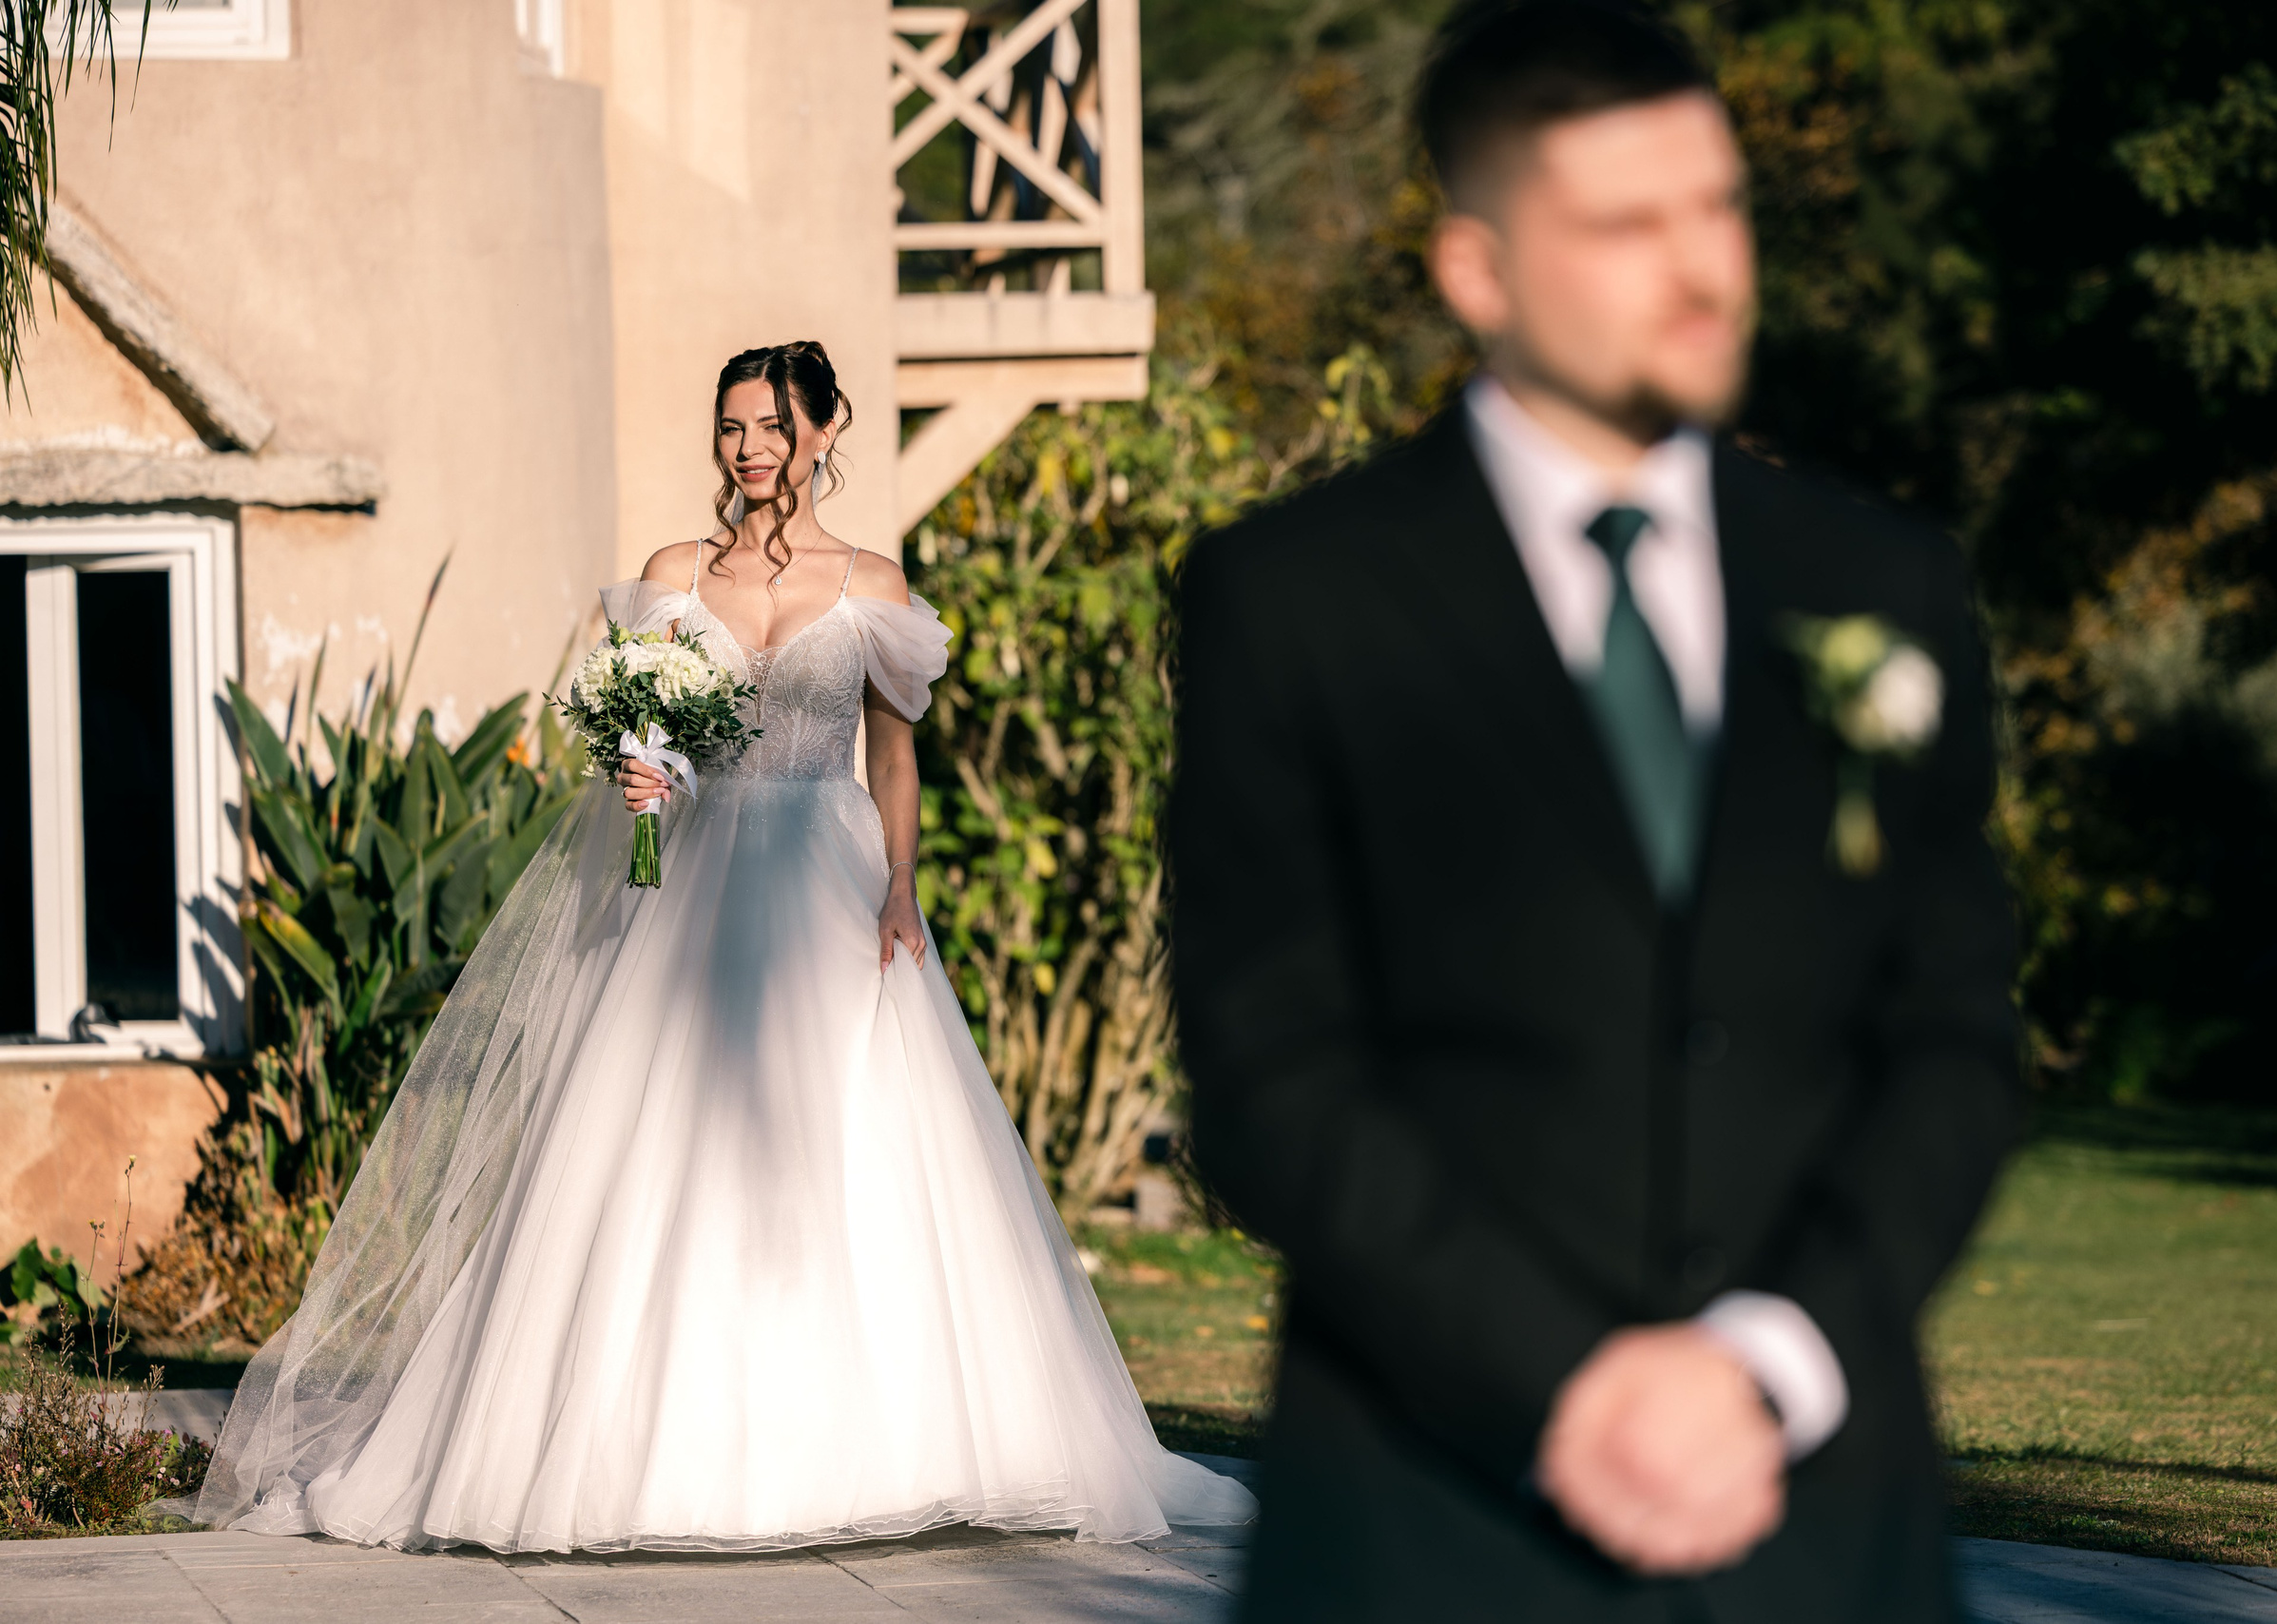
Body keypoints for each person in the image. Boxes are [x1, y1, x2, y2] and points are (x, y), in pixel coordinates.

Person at [1171, 4, 2018, 1620]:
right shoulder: (1295, 598)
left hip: (1823, 1536)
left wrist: (1764, 1368)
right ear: (1477, 271)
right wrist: (1567, 1389)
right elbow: (1272, 1073)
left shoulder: (1879, 583)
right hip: (1430, 1523)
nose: (1703, 268)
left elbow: (1955, 1042)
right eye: (1629, 224)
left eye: (1720, 206)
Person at [187, 340, 1255, 1552]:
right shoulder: (673, 577)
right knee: (648, 1145)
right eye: (730, 428)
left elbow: (894, 756)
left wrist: (902, 886)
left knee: (855, 1153)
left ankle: (882, 1448)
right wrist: (644, 777)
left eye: (767, 427)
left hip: (828, 879)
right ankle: (628, 1456)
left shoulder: (874, 586)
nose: (746, 449)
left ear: (819, 431)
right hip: (691, 898)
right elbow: (646, 747)